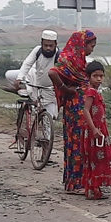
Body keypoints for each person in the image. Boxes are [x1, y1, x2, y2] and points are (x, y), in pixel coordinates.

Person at [48, 30, 96, 192]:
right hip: (75, 109)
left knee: (80, 142)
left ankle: (77, 180)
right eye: (91, 46)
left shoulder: (79, 60)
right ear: (83, 44)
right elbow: (53, 72)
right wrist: (64, 88)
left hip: (80, 107)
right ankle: (76, 183)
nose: (92, 50)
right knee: (77, 143)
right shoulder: (69, 58)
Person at [81, 61, 111, 200]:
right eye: (95, 76)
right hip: (96, 130)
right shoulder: (91, 92)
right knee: (107, 158)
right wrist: (94, 129)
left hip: (98, 129)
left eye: (101, 76)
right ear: (89, 77)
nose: (98, 79)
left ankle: (94, 190)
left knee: (95, 159)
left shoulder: (94, 91)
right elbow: (86, 110)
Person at [14, 30, 60, 144]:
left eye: (51, 46)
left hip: (51, 91)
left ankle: (46, 151)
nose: (48, 48)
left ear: (56, 44)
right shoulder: (37, 51)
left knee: (49, 122)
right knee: (36, 109)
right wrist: (20, 77)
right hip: (36, 85)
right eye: (46, 45)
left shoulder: (59, 55)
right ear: (41, 43)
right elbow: (27, 64)